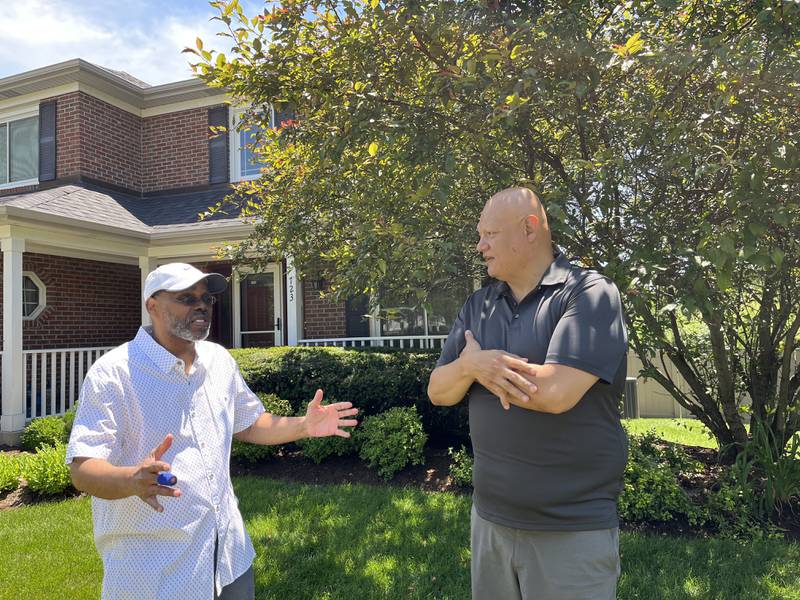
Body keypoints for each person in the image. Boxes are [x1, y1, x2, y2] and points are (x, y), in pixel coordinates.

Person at [67, 262, 358, 600]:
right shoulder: (113, 374)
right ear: (153, 305)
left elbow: (249, 423)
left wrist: (304, 425)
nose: (201, 305)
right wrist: (133, 479)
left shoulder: (218, 360)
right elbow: (82, 468)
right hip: (155, 572)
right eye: (187, 298)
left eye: (206, 298)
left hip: (228, 557)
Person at [428, 187, 628, 600]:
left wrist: (486, 366)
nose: (480, 246)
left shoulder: (589, 293)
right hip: (490, 523)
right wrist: (470, 366)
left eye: (490, 234)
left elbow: (555, 392)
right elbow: (438, 391)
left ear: (529, 228)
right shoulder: (478, 305)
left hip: (571, 529)